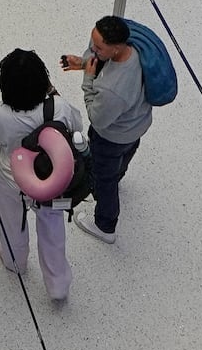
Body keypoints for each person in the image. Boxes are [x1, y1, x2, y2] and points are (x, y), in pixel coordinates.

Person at [0, 48, 81, 303]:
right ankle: (57, 285)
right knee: (52, 228)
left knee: (10, 223)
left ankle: (14, 260)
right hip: (52, 182)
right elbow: (77, 125)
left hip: (12, 180)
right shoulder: (58, 106)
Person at [61, 13, 153, 239]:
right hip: (136, 126)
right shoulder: (134, 50)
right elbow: (100, 58)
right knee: (122, 161)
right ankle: (116, 177)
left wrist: (88, 77)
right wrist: (84, 63)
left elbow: (97, 117)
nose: (92, 50)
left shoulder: (114, 90)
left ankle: (105, 225)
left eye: (98, 48)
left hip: (112, 137)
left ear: (116, 48)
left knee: (105, 180)